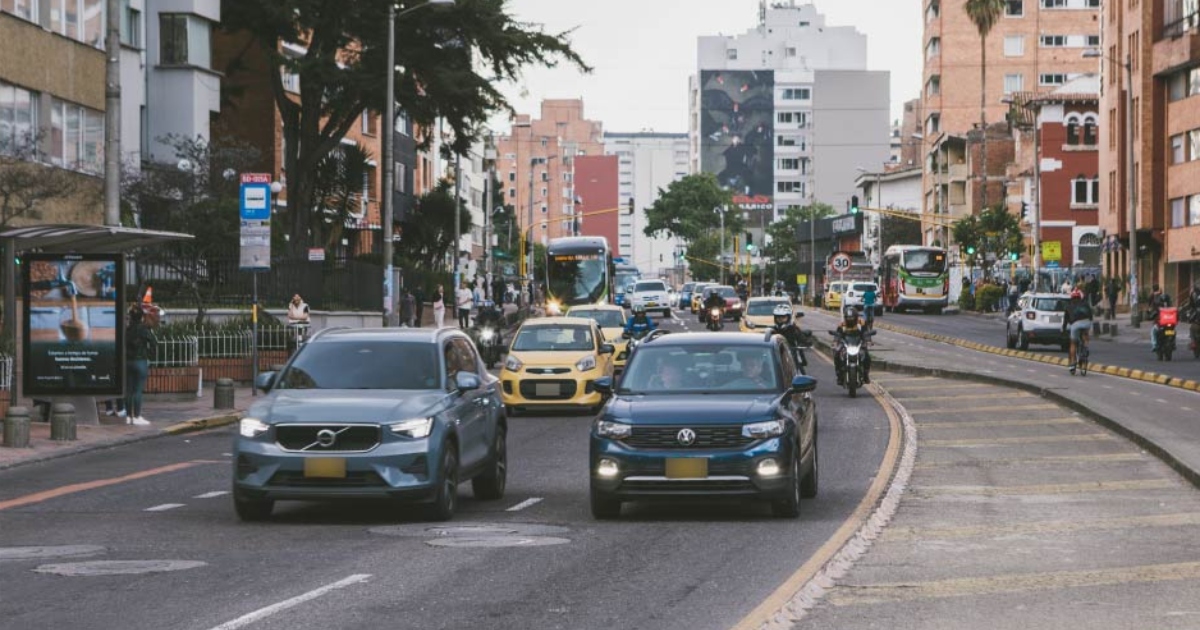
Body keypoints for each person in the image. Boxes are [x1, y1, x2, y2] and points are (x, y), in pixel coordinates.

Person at [124, 306, 155, 426]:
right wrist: (148, 355)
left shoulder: (127, 329)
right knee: (137, 390)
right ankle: (136, 416)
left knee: (128, 390)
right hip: (140, 361)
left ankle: (128, 416)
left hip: (127, 362)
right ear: (142, 317)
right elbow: (153, 343)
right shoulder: (143, 329)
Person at [833, 305, 871, 386]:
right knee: (837, 354)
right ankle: (839, 374)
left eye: (852, 318)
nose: (850, 320)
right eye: (848, 318)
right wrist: (836, 341)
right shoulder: (842, 325)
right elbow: (838, 334)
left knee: (867, 356)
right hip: (846, 344)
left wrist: (867, 340)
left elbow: (866, 333)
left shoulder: (861, 323)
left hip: (858, 343)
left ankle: (865, 374)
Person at [1062, 289, 1094, 375]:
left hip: (1075, 324)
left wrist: (1063, 329)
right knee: (1085, 333)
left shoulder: (1068, 306)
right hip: (1087, 322)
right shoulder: (1085, 304)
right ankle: (1086, 347)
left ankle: (1072, 363)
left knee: (1073, 343)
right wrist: (1090, 322)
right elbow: (1091, 315)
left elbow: (1065, 321)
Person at [1147, 283, 1172, 352]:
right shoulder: (1165, 297)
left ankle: (1154, 345)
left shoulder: (1154, 298)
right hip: (1167, 322)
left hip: (1161, 323)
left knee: (1153, 331)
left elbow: (1149, 306)